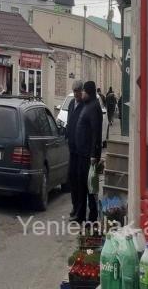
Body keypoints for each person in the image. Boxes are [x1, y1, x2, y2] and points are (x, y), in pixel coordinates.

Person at [74, 81, 103, 223]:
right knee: (81, 186)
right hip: (81, 154)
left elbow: (95, 133)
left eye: (84, 91)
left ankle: (92, 217)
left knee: (90, 187)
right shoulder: (87, 105)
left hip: (88, 156)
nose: (82, 93)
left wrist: (93, 154)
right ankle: (80, 215)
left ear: (89, 92)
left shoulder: (93, 107)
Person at [66, 80, 85, 221]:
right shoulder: (72, 103)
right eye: (74, 91)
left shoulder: (84, 105)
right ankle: (74, 206)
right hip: (71, 147)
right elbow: (70, 121)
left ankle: (79, 209)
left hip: (81, 149)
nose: (76, 94)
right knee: (72, 177)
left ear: (82, 91)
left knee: (79, 180)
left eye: (78, 91)